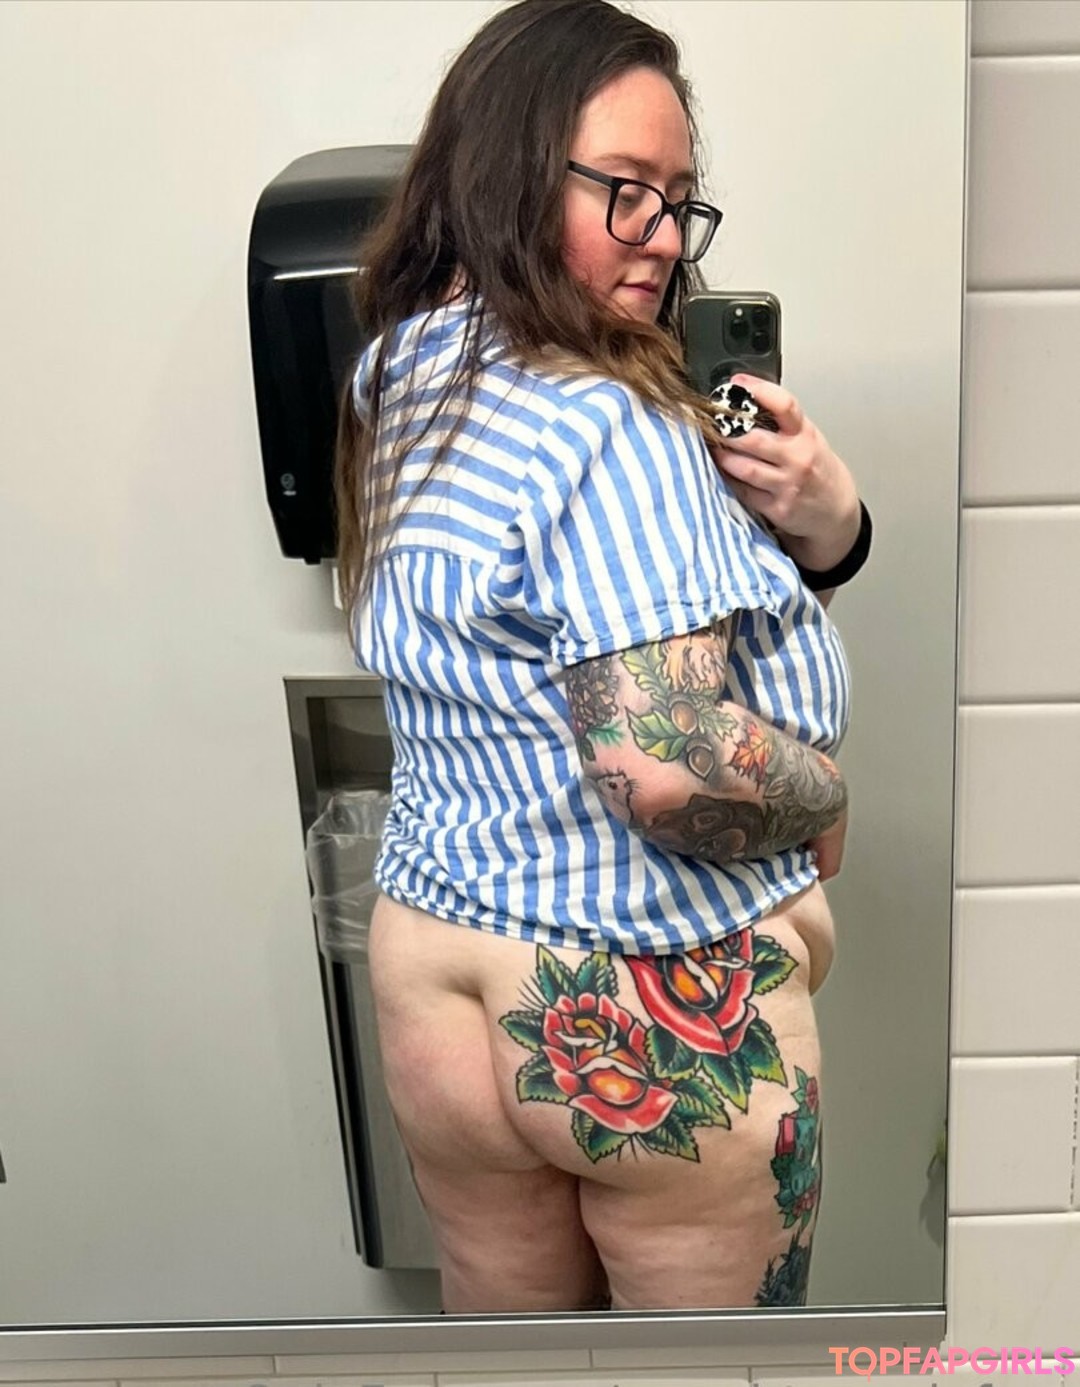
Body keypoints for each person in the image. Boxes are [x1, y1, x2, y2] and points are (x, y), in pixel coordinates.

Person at [334, 0, 866, 1314]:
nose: (665, 236)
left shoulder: (403, 375)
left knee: (512, 1353)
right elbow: (671, 768)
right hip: (645, 985)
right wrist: (825, 797)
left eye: (680, 201)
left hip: (436, 973)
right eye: (624, 190)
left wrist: (822, 532)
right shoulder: (613, 420)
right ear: (505, 172)